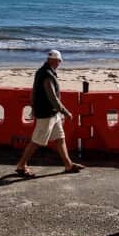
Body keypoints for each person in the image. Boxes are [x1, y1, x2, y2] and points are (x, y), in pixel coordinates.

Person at [14, 49, 85, 178]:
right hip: (47, 114)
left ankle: (68, 164)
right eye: (58, 61)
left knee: (60, 138)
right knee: (36, 141)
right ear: (53, 60)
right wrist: (65, 111)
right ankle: (21, 165)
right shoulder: (47, 75)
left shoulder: (43, 72)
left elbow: (34, 92)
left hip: (53, 114)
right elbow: (52, 97)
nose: (59, 64)